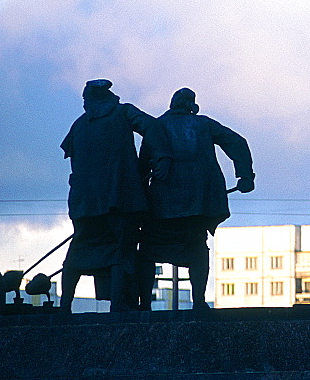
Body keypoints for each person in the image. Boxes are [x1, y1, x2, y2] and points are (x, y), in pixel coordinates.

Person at [138, 88, 254, 310]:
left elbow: (143, 167)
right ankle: (199, 301)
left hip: (164, 205)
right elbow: (237, 142)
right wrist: (245, 176)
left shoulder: (156, 127)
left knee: (148, 251)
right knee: (197, 248)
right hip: (199, 204)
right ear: (192, 105)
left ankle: (145, 304)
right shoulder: (203, 124)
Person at [59, 79, 169, 312]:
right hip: (120, 199)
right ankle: (119, 305)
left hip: (84, 204)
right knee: (122, 250)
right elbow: (152, 127)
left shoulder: (79, 125)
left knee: (79, 251)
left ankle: (64, 305)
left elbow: (72, 159)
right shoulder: (123, 113)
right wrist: (160, 158)